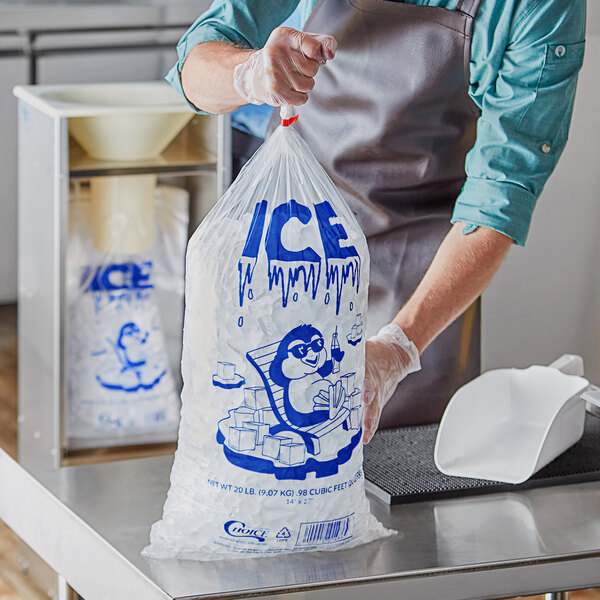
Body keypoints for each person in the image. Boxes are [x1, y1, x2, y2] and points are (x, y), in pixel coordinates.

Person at [167, 0, 586, 442]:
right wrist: (247, 73)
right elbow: (194, 70)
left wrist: (397, 350)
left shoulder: (540, 7)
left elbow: (499, 196)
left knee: (400, 475)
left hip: (422, 286)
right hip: (290, 261)